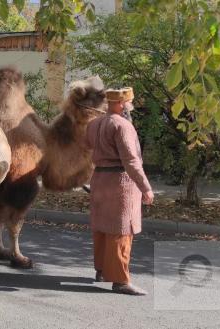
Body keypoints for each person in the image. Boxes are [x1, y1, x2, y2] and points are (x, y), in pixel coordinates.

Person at [85, 87, 154, 296]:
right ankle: (120, 280)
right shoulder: (123, 125)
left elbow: (85, 148)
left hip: (100, 180)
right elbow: (131, 161)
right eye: (129, 102)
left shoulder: (94, 124)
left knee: (102, 227)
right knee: (121, 229)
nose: (130, 106)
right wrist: (146, 188)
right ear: (122, 104)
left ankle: (102, 271)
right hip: (120, 183)